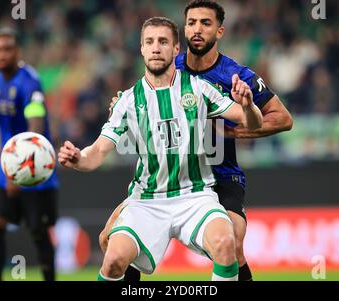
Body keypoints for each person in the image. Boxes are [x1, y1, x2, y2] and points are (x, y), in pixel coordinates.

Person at [58, 17, 263, 281]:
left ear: (176, 48)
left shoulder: (199, 88)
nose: (156, 48)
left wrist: (248, 105)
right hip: (148, 201)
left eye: (163, 41)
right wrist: (77, 158)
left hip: (196, 195)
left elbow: (251, 121)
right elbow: (96, 152)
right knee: (113, 261)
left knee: (226, 245)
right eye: (149, 42)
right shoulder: (127, 101)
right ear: (142, 49)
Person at [101, 0, 293, 281]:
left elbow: (283, 118)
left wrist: (232, 132)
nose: (197, 29)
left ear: (220, 31)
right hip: (170, 178)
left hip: (220, 173)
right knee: (110, 241)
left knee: (233, 242)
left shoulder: (236, 75)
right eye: (191, 23)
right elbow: (141, 102)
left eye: (206, 23)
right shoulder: (169, 66)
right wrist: (121, 107)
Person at [0, 28, 59, 281]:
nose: (2, 54)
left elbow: (35, 122)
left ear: (17, 52)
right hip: (8, 165)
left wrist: (18, 171)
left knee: (39, 231)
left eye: (7, 49)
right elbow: (5, 126)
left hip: (32, 165)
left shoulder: (29, 81)